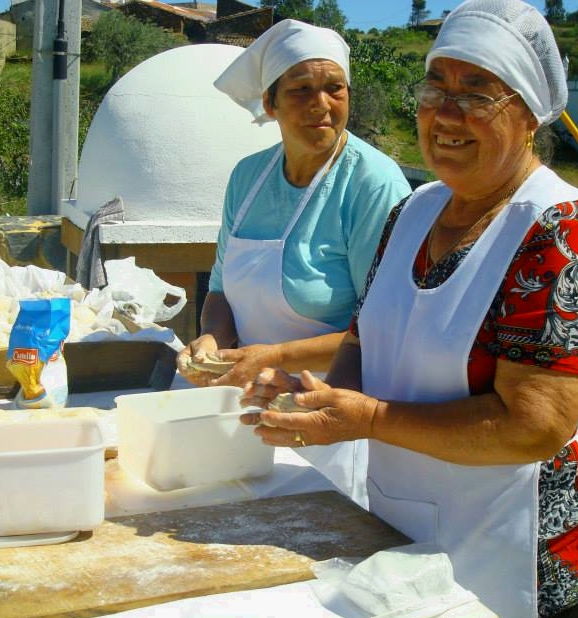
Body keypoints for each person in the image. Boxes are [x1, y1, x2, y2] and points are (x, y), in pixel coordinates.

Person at [240, 2, 578, 617]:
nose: (445, 112)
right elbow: (366, 339)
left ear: (527, 114)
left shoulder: (558, 228)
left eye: (477, 92)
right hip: (402, 531)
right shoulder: (414, 211)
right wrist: (318, 399)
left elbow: (536, 425)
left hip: (517, 548)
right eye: (435, 85)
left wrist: (366, 418)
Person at [175, 19, 411, 507]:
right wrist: (214, 340)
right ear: (270, 103)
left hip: (329, 412)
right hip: (250, 402)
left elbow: (384, 328)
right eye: (301, 91)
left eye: (334, 89)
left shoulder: (373, 185)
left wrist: (273, 358)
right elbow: (220, 286)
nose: (321, 106)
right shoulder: (248, 178)